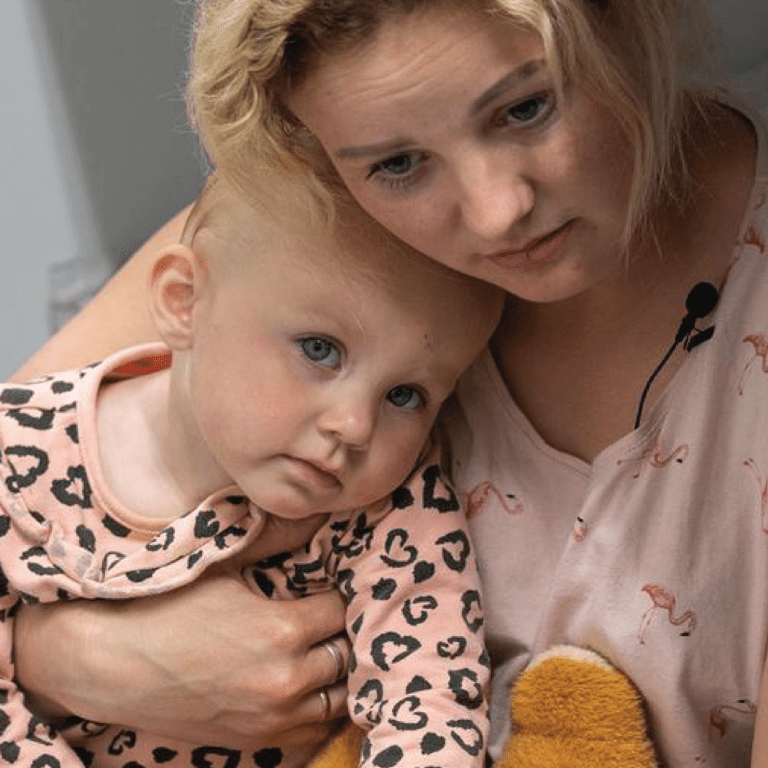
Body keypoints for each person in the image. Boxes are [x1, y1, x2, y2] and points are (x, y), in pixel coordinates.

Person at [10, 0, 768, 765]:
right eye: (398, 164)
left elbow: (425, 699)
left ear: (629, 18)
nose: (498, 212)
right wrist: (60, 656)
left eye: (527, 107)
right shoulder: (302, 229)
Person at [1, 170, 503, 768]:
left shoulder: (392, 503)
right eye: (320, 349)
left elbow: (431, 707)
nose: (354, 425)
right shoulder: (17, 451)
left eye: (405, 395)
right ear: (183, 300)